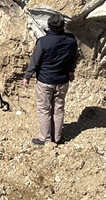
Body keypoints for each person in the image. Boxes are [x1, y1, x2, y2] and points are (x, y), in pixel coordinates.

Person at [23, 14, 78, 146]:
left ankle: (45, 139)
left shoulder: (43, 42)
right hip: (62, 81)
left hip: (45, 82)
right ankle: (57, 138)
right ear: (63, 26)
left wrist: (27, 76)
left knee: (44, 109)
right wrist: (71, 71)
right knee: (58, 109)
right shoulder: (71, 40)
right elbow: (74, 58)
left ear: (48, 26)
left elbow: (35, 62)